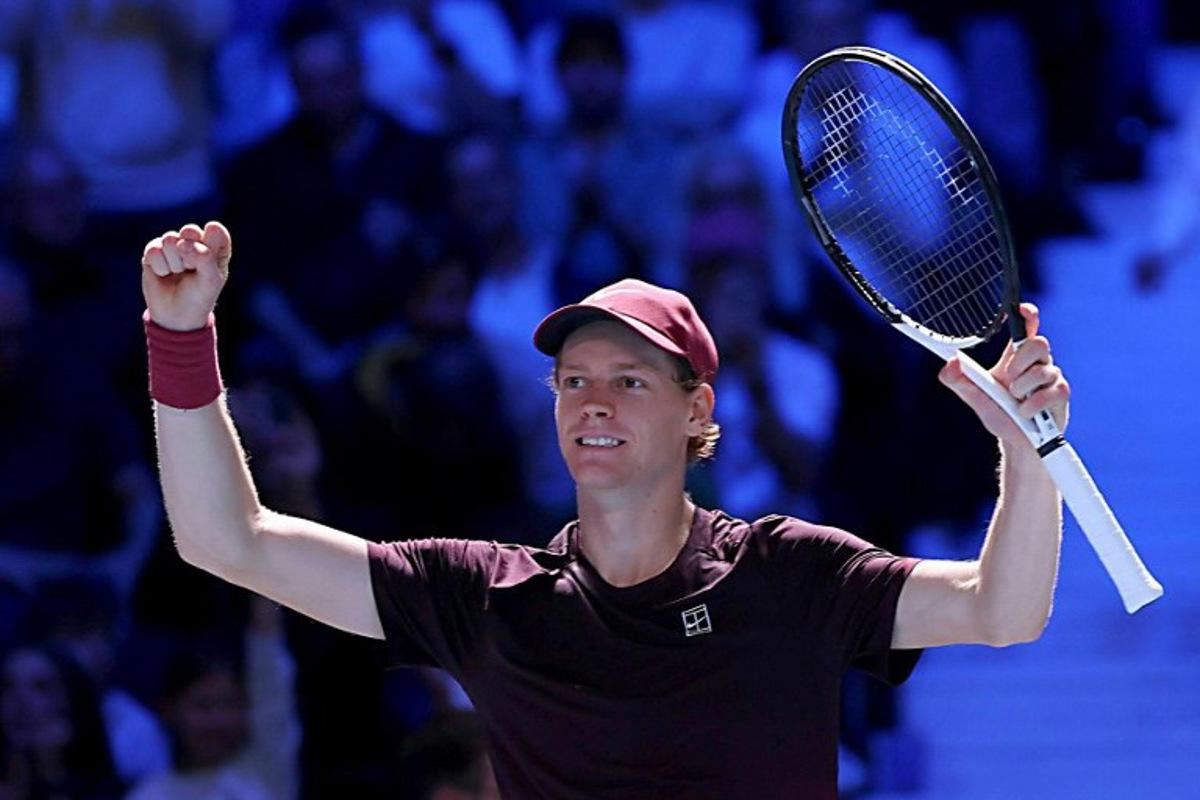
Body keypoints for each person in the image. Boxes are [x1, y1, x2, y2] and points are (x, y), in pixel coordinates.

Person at [139, 221, 1068, 798]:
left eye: (628, 380)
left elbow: (1004, 608)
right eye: (572, 380)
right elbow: (230, 540)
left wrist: (1027, 457)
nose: (592, 402)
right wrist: (181, 341)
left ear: (696, 410)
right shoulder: (484, 594)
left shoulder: (792, 573)